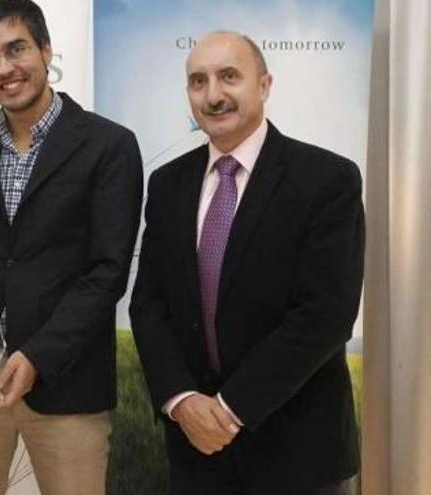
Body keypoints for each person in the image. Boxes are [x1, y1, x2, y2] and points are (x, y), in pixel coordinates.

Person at [129, 31, 363, 494]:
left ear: (264, 84)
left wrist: (230, 409)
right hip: (195, 449)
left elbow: (326, 314)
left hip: (296, 451)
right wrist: (181, 401)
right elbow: (149, 304)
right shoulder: (167, 183)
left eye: (228, 77)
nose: (213, 95)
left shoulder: (326, 179)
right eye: (198, 81)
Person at [0, 1, 143, 493]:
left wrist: (37, 357)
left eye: (16, 49)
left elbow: (108, 271)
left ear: (46, 49)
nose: (4, 68)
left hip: (67, 384)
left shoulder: (109, 145)